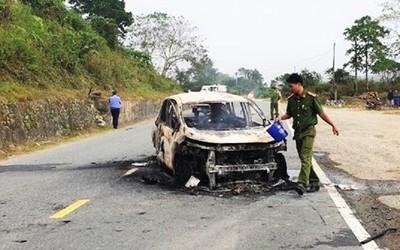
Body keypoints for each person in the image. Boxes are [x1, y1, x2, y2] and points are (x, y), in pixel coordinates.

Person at [276, 73, 339, 195]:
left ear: (299, 84)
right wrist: (280, 117)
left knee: (305, 157)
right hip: (298, 133)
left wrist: (332, 125)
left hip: (309, 132)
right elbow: (289, 114)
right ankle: (314, 182)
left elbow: (321, 113)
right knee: (304, 158)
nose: (290, 88)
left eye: (291, 86)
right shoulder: (292, 100)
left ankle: (302, 184)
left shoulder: (311, 98)